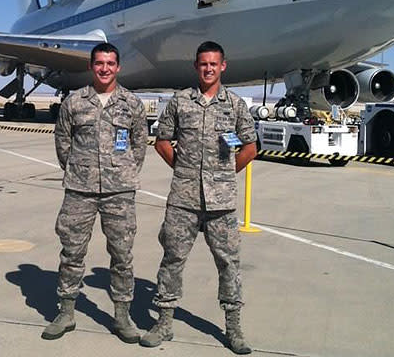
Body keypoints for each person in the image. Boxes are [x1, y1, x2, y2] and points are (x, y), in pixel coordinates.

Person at [141, 41, 257, 354]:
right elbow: (162, 140)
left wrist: (227, 172)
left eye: (213, 64)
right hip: (184, 199)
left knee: (228, 263)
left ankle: (233, 327)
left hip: (222, 204)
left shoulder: (234, 105)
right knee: (172, 259)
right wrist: (182, 169)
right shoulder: (180, 102)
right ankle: (164, 322)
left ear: (223, 66)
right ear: (196, 67)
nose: (208, 69)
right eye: (202, 64)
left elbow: (250, 146)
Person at [42, 42, 148, 344]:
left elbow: (139, 144)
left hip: (120, 191)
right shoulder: (74, 102)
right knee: (72, 252)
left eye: (110, 63)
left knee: (122, 255)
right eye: (99, 63)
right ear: (92, 66)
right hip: (80, 190)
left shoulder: (132, 103)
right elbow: (63, 141)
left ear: (118, 67)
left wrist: (122, 171)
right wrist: (79, 169)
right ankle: (65, 312)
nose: (105, 68)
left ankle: (122, 315)